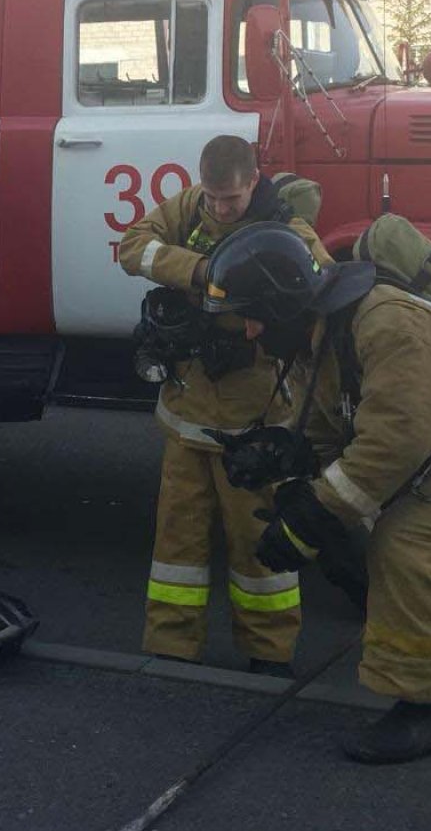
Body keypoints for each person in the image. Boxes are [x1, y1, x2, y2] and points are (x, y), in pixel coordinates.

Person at [201, 223, 431, 764]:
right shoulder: (316, 338)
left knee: (410, 551)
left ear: (280, 302)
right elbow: (327, 428)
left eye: (252, 315)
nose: (249, 331)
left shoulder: (392, 325)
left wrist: (314, 519)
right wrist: (290, 470)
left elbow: (396, 439)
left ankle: (428, 713)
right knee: (430, 565)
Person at [116, 135, 327, 677]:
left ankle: (269, 654)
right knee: (176, 540)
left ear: (254, 182)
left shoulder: (287, 231)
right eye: (212, 197)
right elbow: (133, 247)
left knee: (257, 542)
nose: (218, 208)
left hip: (252, 416)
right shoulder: (190, 205)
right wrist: (202, 271)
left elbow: (320, 295)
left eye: (230, 199)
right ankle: (170, 648)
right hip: (188, 409)